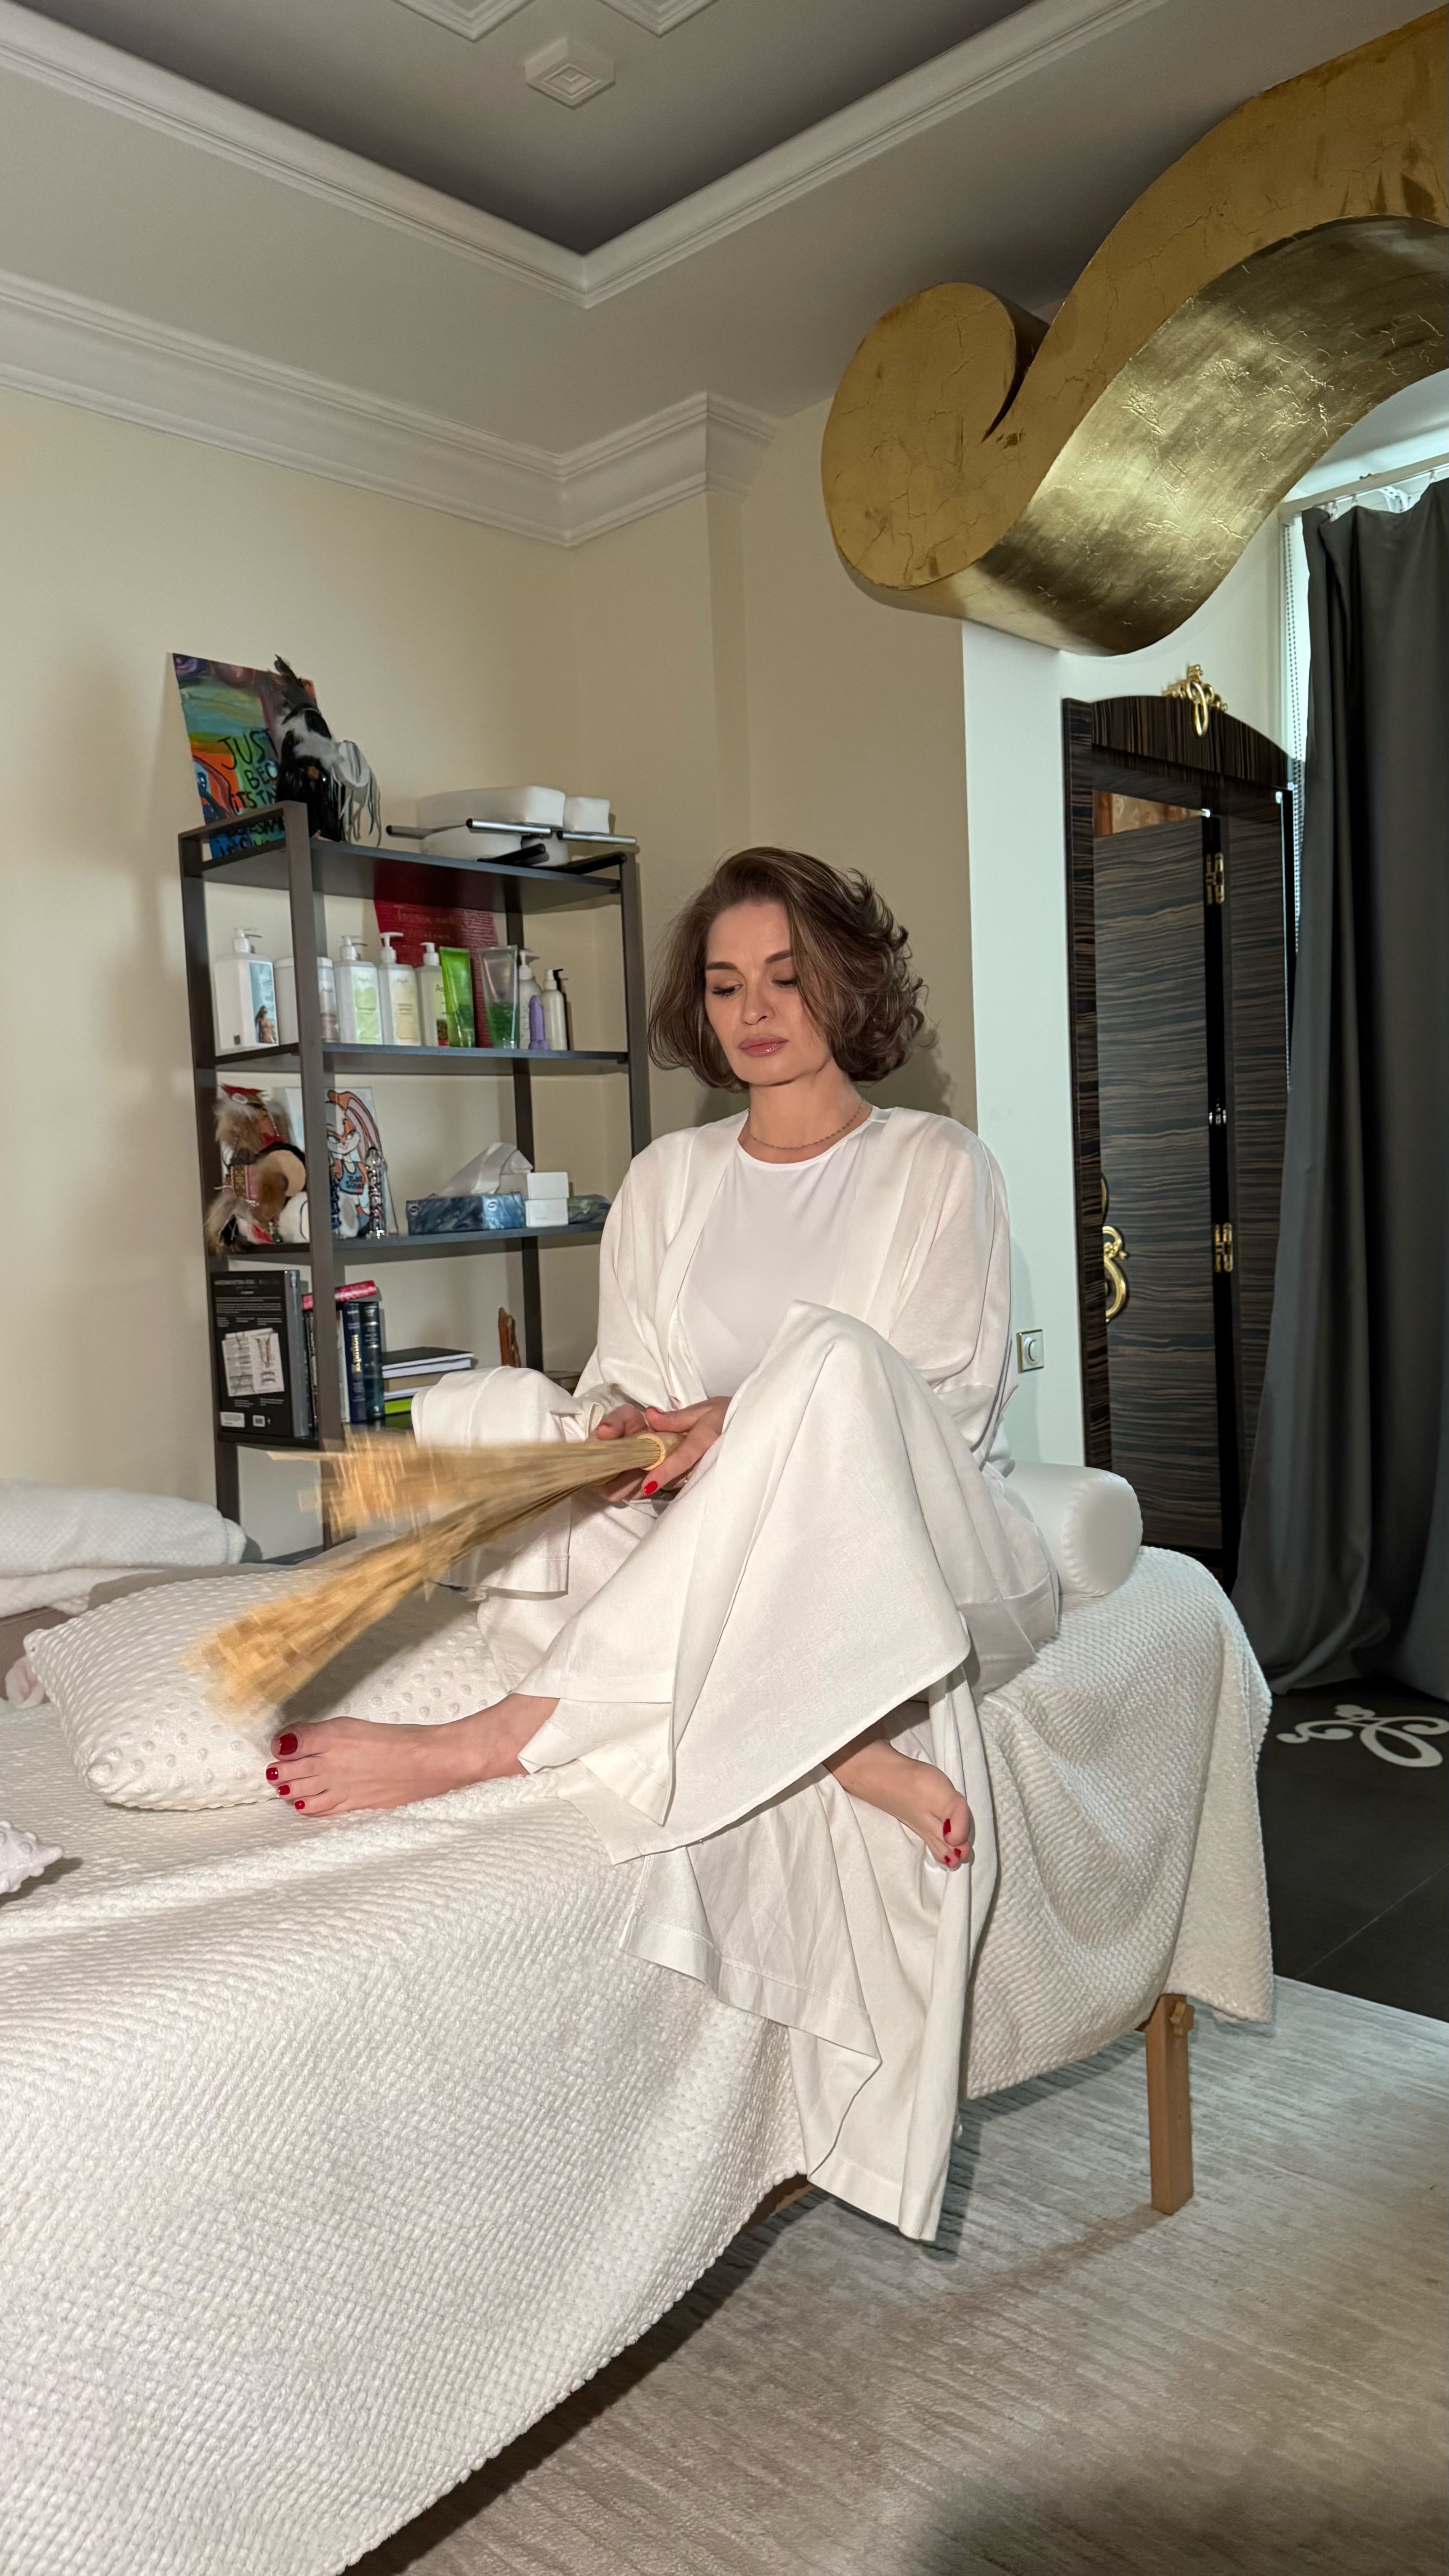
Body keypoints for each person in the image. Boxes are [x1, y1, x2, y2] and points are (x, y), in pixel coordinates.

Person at [267, 848, 1057, 2235]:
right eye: (727, 984)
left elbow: (940, 1402)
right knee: (493, 1406)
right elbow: (620, 1380)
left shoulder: (939, 1167)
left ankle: (494, 1738)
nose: (756, 1011)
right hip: (707, 1531)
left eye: (788, 979)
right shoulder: (667, 1179)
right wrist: (627, 1429)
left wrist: (738, 1425)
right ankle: (827, 1743)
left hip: (900, 1546)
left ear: (847, 986)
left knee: (828, 1363)